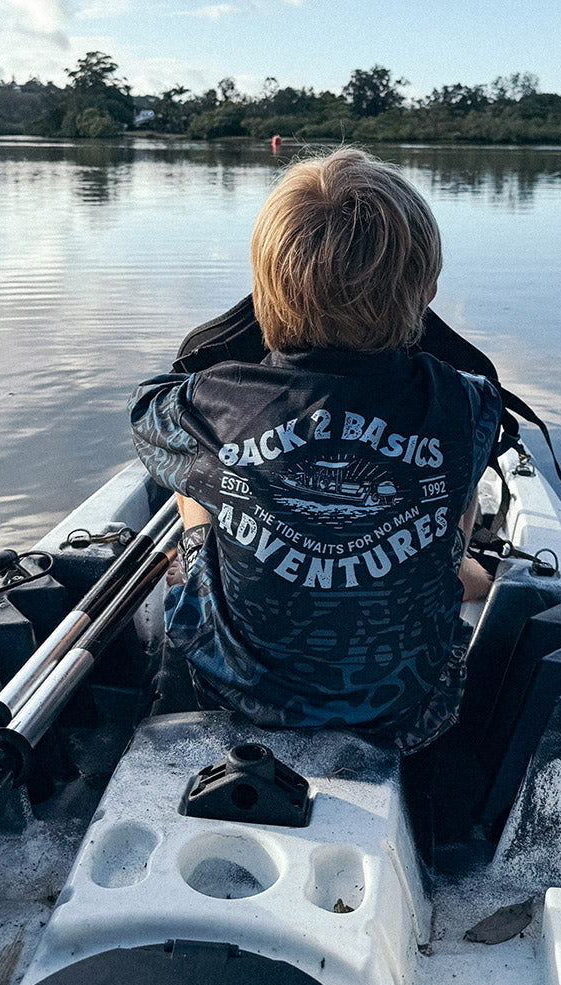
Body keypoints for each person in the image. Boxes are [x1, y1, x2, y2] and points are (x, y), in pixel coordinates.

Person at [129, 147, 501, 753]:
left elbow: (151, 404)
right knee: (453, 479)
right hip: (415, 707)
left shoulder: (209, 403)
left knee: (195, 481)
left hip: (228, 694)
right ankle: (458, 569)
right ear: (428, 289)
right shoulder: (470, 403)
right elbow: (478, 415)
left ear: (262, 289)